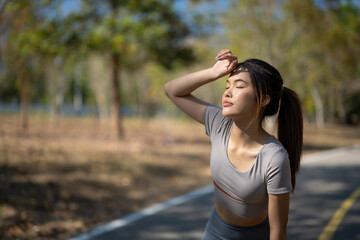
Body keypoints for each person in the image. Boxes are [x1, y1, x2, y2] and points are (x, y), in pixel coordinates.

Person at [164, 49, 303, 240]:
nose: (228, 93)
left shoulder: (274, 158)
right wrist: (214, 73)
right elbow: (172, 90)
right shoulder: (218, 123)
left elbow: (278, 231)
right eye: (226, 85)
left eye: (239, 86)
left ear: (263, 99)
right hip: (214, 231)